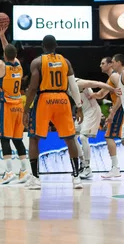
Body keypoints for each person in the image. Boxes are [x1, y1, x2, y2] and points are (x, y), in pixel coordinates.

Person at [23, 35, 84, 190]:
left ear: (42, 46)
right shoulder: (66, 62)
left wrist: (26, 109)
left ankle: (36, 179)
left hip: (45, 99)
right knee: (70, 139)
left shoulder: (37, 62)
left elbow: (32, 88)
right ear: (56, 46)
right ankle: (76, 177)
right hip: (63, 99)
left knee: (34, 138)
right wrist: (78, 106)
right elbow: (73, 86)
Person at [0, 24, 30, 185]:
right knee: (17, 139)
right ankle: (24, 171)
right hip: (19, 106)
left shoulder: (3, 67)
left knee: (4, 138)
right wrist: (2, 36)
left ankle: (9, 172)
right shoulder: (18, 65)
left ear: (4, 55)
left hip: (7, 106)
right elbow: (8, 50)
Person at [71, 77, 117, 180]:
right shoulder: (65, 86)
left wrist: (112, 89)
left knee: (83, 138)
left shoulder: (78, 83)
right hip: (83, 112)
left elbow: (97, 82)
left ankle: (87, 168)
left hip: (92, 111)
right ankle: (82, 163)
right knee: (72, 137)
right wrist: (78, 111)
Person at [88, 57, 124, 178]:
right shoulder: (110, 79)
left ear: (110, 64)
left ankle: (115, 168)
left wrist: (112, 112)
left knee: (109, 137)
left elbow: (121, 94)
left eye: (103, 63)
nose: (100, 65)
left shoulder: (114, 76)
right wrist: (91, 95)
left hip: (120, 109)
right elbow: (101, 94)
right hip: (119, 109)